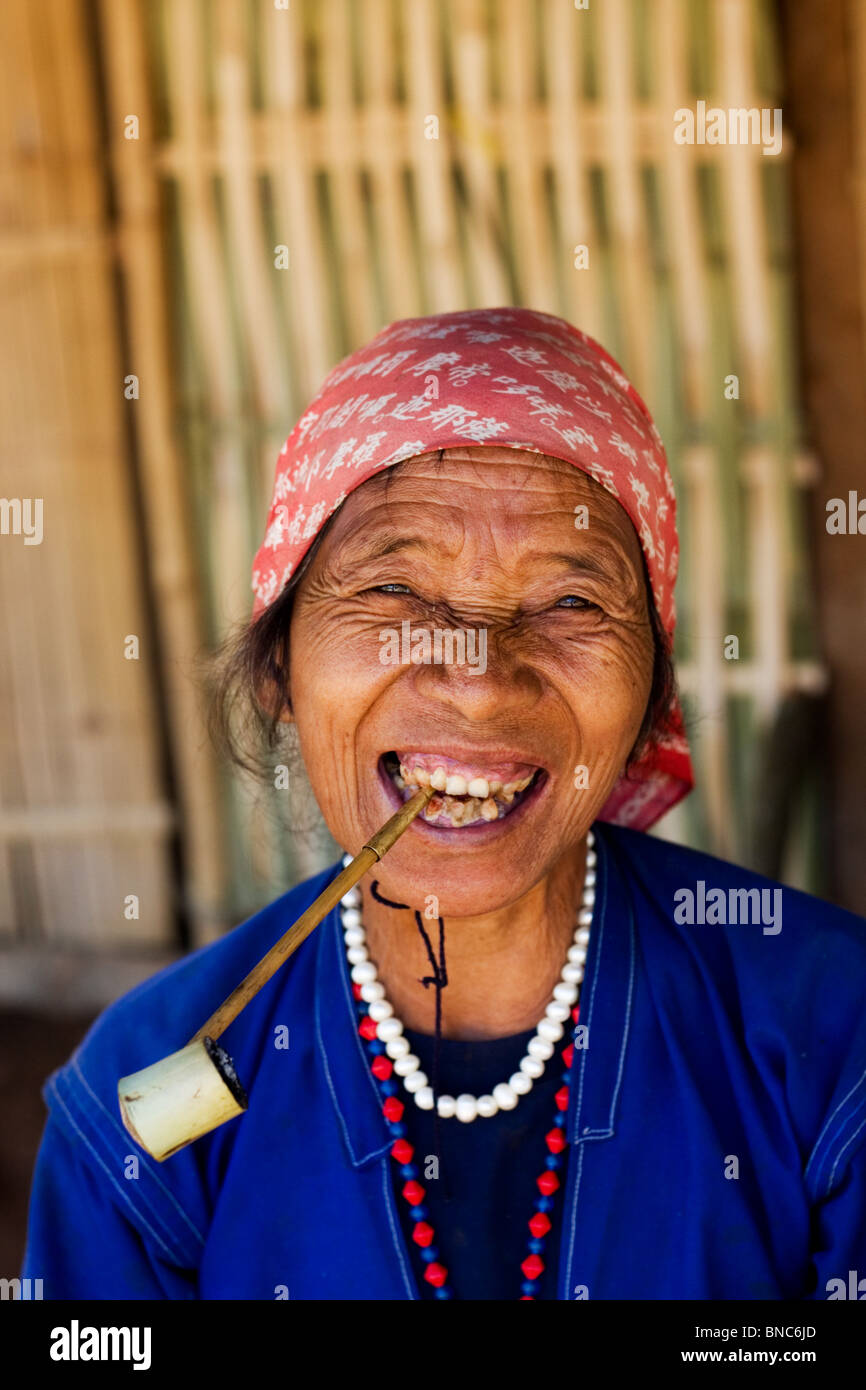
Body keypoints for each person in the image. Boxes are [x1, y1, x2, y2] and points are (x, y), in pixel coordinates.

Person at [22, 307, 866, 1300]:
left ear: (649, 700)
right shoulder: (136, 1102)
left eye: (569, 603)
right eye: (391, 591)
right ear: (279, 672)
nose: (475, 679)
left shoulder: (830, 1035)